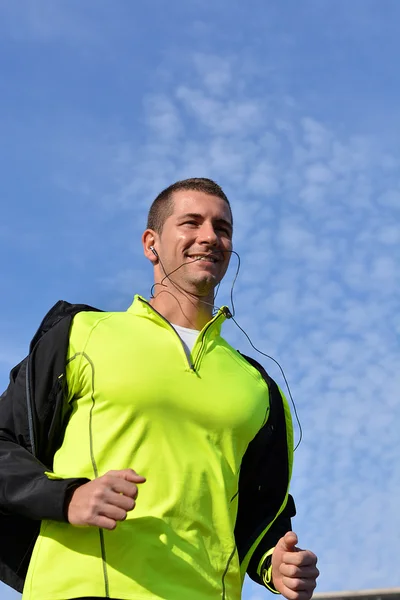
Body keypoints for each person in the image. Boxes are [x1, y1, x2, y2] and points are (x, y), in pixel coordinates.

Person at [0, 178, 319, 600]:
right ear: (152, 243)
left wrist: (273, 564)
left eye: (222, 229)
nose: (210, 237)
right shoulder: (81, 334)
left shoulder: (259, 387)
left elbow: (263, 516)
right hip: (82, 589)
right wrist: (67, 497)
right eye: (192, 222)